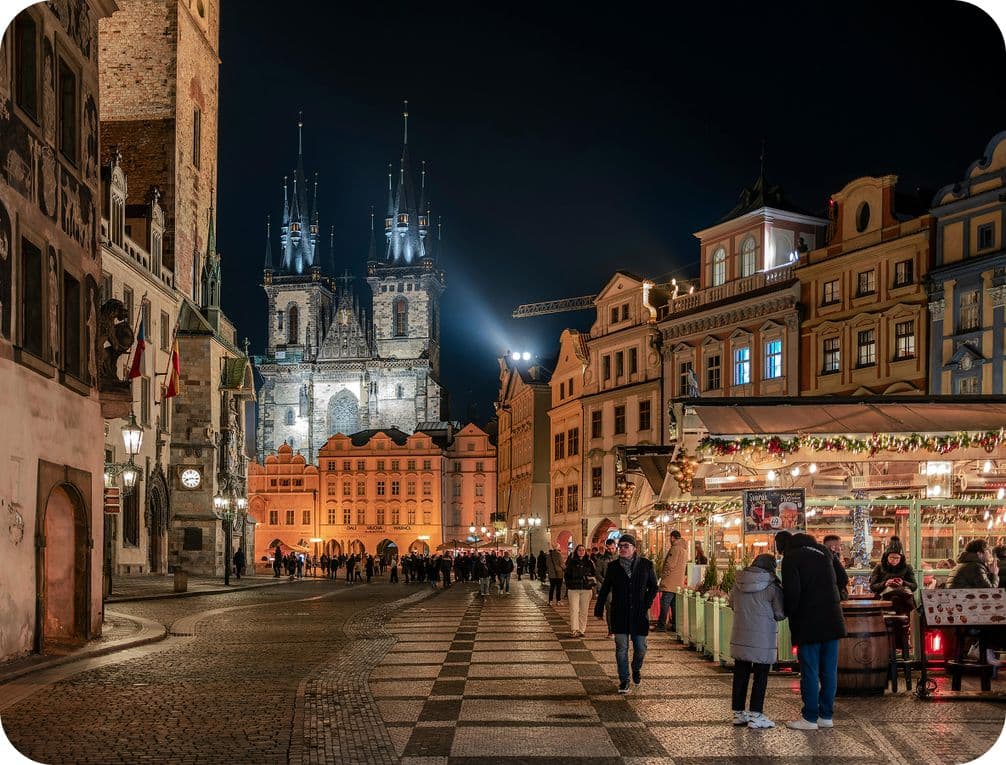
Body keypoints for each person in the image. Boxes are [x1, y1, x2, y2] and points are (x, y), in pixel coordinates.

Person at [781, 532, 846, 731]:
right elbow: (843, 578)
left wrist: (788, 611)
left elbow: (792, 591)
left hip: (808, 621)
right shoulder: (824, 551)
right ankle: (826, 716)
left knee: (809, 669)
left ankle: (809, 717)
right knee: (829, 670)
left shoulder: (791, 557)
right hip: (833, 619)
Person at [594, 534, 658, 694]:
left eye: (626, 546)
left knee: (640, 648)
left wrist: (646, 603)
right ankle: (624, 680)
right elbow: (606, 588)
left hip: (639, 613)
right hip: (620, 613)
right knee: (621, 648)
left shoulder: (646, 565)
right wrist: (599, 607)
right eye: (620, 546)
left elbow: (654, 587)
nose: (622, 548)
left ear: (634, 548)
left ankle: (636, 668)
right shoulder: (613, 567)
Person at [729, 553, 786, 729]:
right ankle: (756, 714)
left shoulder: (738, 583)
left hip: (740, 635)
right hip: (762, 637)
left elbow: (731, 604)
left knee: (740, 674)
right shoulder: (772, 586)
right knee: (760, 676)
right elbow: (780, 613)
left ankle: (738, 713)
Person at [657, 530, 688, 631]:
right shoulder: (684, 549)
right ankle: (675, 625)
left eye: (670, 538)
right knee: (674, 604)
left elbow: (670, 564)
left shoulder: (675, 549)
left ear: (673, 538)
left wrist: (663, 576)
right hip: (678, 582)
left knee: (664, 603)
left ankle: (661, 625)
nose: (670, 540)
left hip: (670, 581)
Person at [564, 544, 596, 637]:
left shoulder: (589, 562)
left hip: (586, 589)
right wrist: (569, 584)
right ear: (576, 552)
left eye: (583, 550)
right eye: (579, 550)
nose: (581, 552)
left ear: (585, 552)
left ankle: (581, 630)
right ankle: (574, 629)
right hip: (574, 589)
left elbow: (594, 573)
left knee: (584, 611)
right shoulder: (571, 562)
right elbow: (566, 575)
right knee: (574, 610)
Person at [595, 538, 618, 637]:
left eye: (613, 548)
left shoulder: (621, 557)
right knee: (609, 609)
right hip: (608, 589)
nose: (611, 551)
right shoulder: (601, 559)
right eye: (609, 549)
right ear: (606, 548)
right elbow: (598, 573)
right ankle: (611, 630)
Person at [822, 535, 850, 600]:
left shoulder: (818, 557)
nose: (841, 548)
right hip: (837, 597)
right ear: (832, 547)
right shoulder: (833, 557)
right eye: (839, 545)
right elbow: (844, 578)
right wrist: (835, 590)